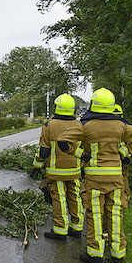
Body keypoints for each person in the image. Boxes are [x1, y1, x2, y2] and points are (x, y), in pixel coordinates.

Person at [57, 88, 132, 263]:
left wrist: (82, 154)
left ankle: (95, 254)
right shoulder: (121, 125)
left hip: (94, 179)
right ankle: (118, 255)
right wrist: (122, 153)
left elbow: (63, 141)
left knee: (95, 215)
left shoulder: (85, 125)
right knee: (115, 215)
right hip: (116, 179)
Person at [30, 93, 84, 240]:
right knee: (75, 197)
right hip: (74, 171)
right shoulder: (79, 125)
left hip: (56, 172)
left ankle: (60, 230)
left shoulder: (49, 126)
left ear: (56, 108)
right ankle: (77, 228)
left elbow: (44, 151)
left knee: (59, 199)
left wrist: (36, 167)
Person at [113, 105, 131, 202]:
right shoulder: (125, 125)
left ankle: (125, 198)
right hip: (120, 156)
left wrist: (121, 154)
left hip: (120, 157)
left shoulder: (124, 126)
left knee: (122, 179)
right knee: (122, 179)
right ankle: (123, 198)